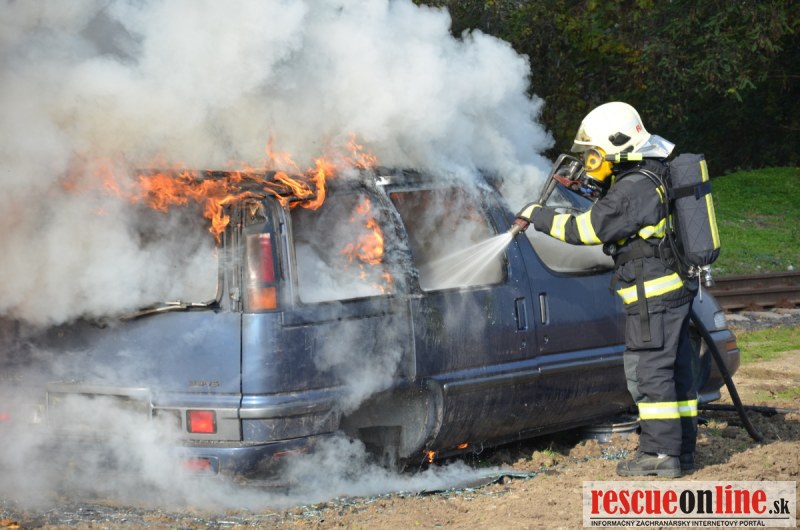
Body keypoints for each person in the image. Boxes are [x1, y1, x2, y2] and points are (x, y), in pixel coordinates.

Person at [513, 102, 698, 478]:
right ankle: (681, 451)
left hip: (651, 298)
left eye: (593, 154)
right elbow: (618, 216)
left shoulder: (632, 188)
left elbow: (586, 231)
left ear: (614, 146)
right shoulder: (650, 174)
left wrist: (538, 215)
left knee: (649, 373)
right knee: (675, 371)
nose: (589, 162)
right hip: (670, 291)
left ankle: (659, 455)